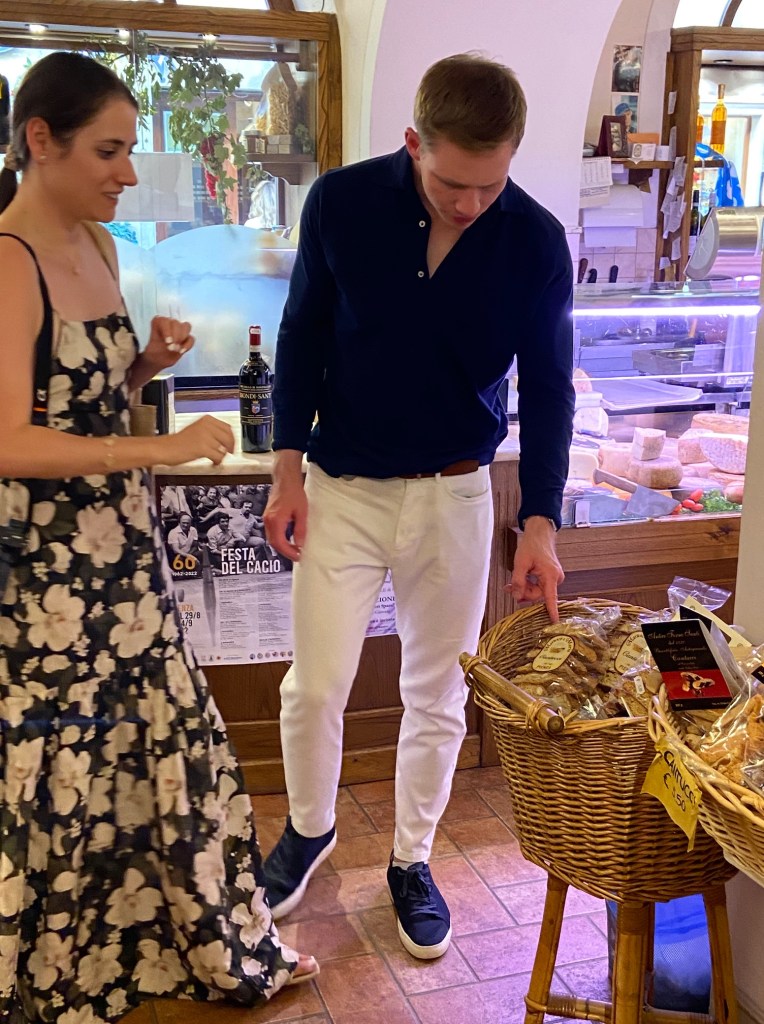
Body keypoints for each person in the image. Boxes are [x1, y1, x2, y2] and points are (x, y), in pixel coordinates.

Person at [0, 51, 315, 1022]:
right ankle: (67, 966)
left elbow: (79, 400)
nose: (128, 172)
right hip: (46, 574)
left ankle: (179, 940)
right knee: (64, 759)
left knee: (163, 736)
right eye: (109, 150)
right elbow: (8, 440)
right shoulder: (7, 260)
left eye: (129, 149)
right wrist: (157, 446)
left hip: (123, 557)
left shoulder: (98, 245)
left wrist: (144, 367)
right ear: (40, 141)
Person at [262, 52, 574, 960]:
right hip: (342, 487)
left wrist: (541, 522)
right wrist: (285, 468)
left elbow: (550, 386)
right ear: (413, 143)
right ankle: (310, 830)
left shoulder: (535, 240)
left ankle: (412, 859)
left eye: (491, 184)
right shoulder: (342, 203)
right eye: (451, 183)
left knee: (436, 693)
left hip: (456, 492)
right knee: (315, 685)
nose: (470, 204)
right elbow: (300, 335)